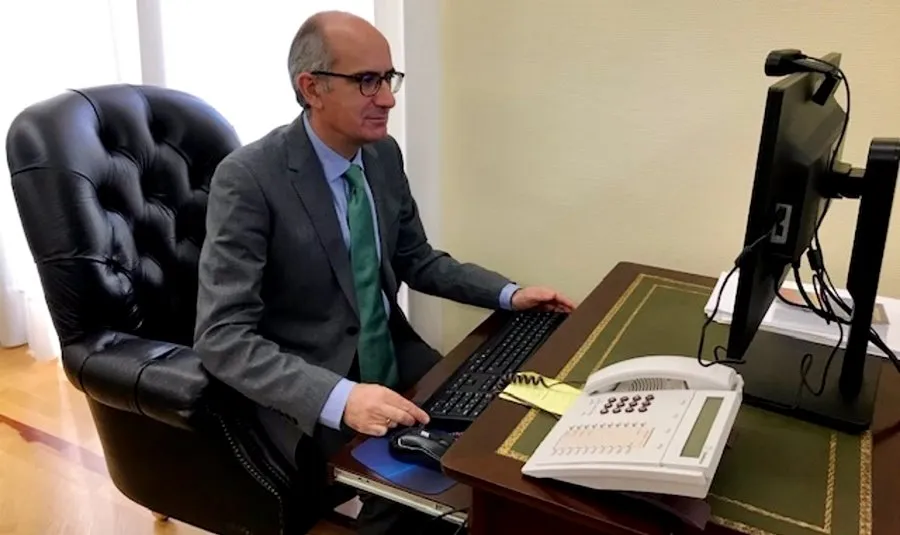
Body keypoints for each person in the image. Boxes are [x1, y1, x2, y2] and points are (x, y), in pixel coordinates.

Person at [193, 9, 575, 535]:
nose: (389, 98)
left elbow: (417, 258)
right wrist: (341, 397)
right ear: (312, 88)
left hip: (391, 349)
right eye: (367, 81)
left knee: (492, 435)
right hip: (312, 372)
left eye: (389, 78)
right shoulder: (248, 179)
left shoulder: (381, 154)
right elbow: (221, 338)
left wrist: (510, 294)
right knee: (403, 497)